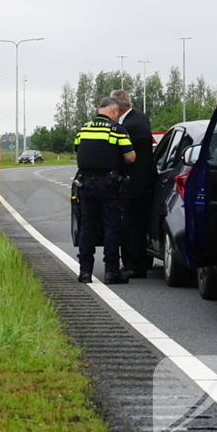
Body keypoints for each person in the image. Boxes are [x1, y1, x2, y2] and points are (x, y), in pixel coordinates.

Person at [74, 97, 136, 285]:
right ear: (115, 111)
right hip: (108, 185)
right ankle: (111, 272)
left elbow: (78, 149)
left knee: (87, 227)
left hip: (85, 184)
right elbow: (131, 157)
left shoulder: (83, 129)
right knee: (111, 228)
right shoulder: (117, 129)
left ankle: (85, 272)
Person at [111, 89, 156, 279]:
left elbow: (128, 157)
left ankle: (135, 265)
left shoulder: (129, 125)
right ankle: (138, 261)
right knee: (137, 222)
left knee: (132, 224)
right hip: (144, 179)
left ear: (116, 108)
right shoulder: (139, 117)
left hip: (135, 182)